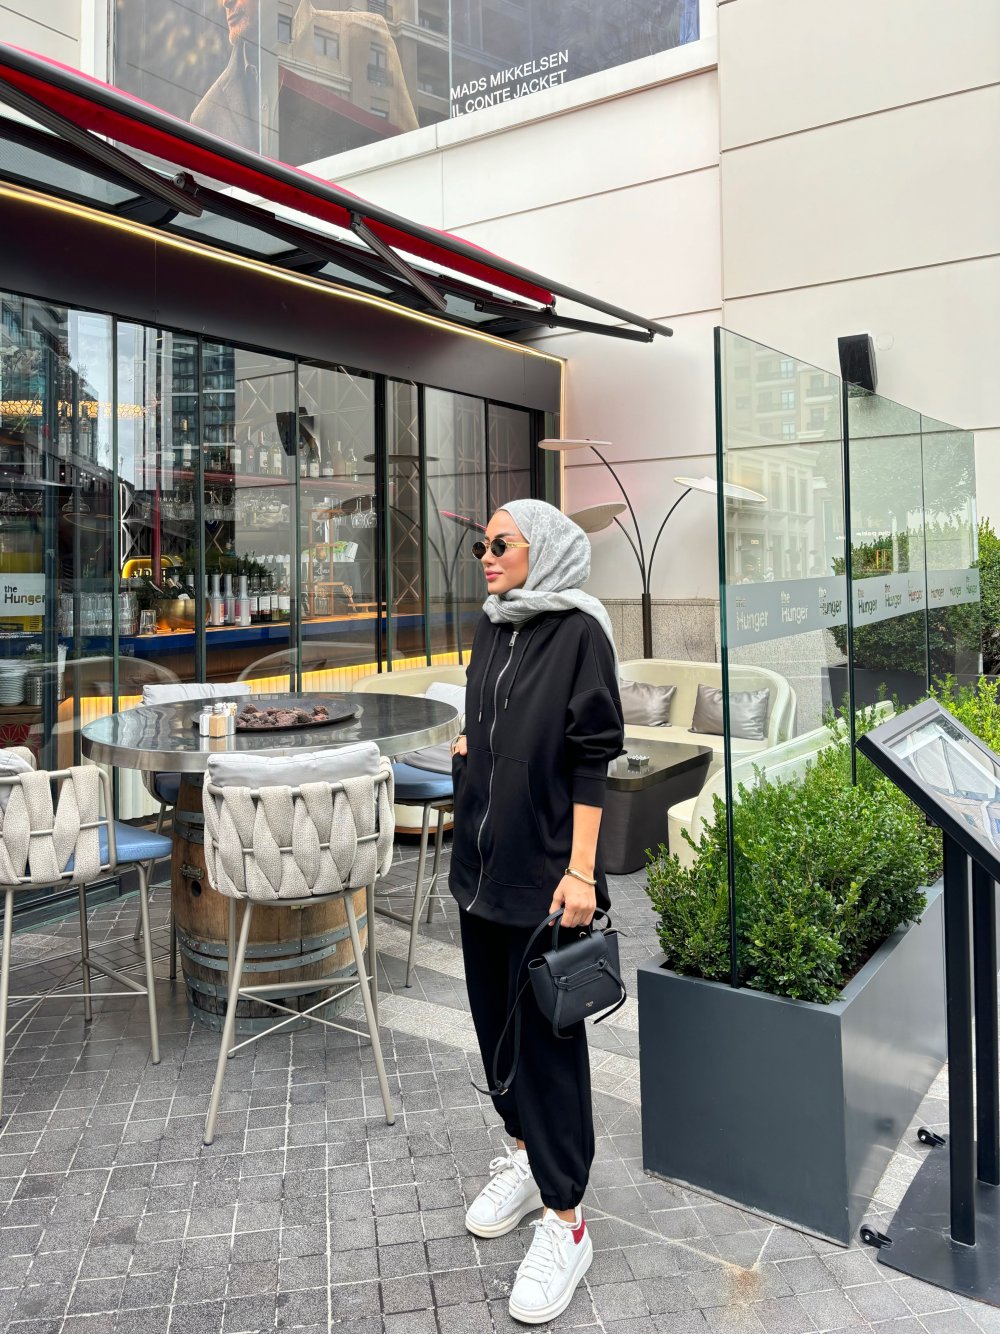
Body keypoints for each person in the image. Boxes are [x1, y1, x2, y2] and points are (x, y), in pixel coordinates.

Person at [449, 498, 624, 1326]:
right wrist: (470, 754)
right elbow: (486, 723)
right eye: (481, 546)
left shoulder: (580, 632)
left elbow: (592, 758)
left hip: (547, 877)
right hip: (479, 873)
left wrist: (581, 871)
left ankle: (567, 1219)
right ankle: (522, 1158)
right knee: (494, 1034)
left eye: (501, 543)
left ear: (543, 550)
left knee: (548, 1051)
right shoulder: (493, 626)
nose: (486, 556)